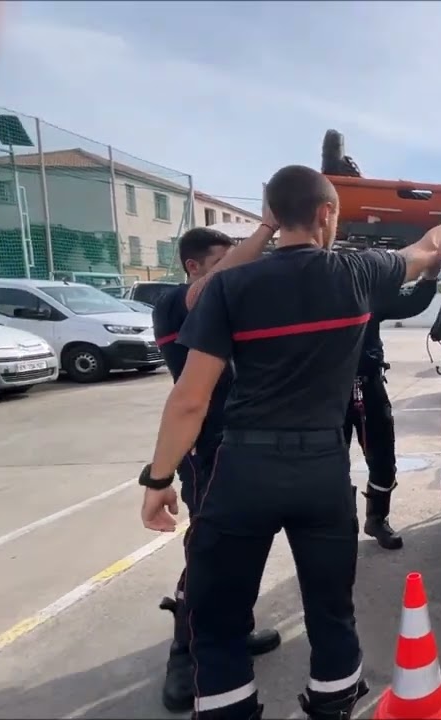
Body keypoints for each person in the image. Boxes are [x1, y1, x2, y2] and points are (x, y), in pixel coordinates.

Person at [137, 163, 441, 720]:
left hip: (242, 468)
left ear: (275, 216)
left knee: (219, 623)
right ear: (326, 214)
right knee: (331, 615)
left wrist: (157, 480)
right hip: (321, 469)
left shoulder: (228, 285)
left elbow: (190, 400)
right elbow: (432, 243)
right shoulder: (359, 273)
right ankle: (331, 710)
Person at [150, 224, 283, 713]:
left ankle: (233, 630)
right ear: (194, 268)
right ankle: (184, 654)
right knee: (205, 554)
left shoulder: (224, 307)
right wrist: (267, 228)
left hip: (243, 448)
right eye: (223, 264)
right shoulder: (173, 304)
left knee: (242, 549)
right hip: (203, 452)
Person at [345, 275, 440, 549]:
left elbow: (411, 304)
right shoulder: (317, 295)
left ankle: (376, 520)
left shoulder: (367, 293)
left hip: (370, 388)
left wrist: (430, 278)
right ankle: (342, 525)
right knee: (331, 463)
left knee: (384, 459)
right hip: (330, 391)